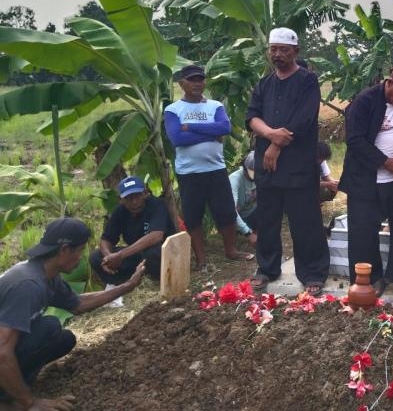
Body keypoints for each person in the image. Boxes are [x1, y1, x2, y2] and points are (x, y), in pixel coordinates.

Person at [0, 218, 145, 410]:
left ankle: (15, 387)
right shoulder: (28, 285)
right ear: (64, 250)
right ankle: (9, 399)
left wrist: (126, 287)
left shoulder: (46, 275)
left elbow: (78, 304)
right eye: (80, 251)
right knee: (48, 327)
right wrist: (31, 403)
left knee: (62, 338)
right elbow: (2, 351)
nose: (81, 257)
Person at [246, 28, 329, 295]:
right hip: (268, 167)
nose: (277, 54)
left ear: (296, 51)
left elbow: (303, 120)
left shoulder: (308, 81)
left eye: (283, 49)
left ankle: (313, 272)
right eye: (273, 49)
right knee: (267, 219)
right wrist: (270, 135)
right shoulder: (264, 84)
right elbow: (252, 117)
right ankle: (267, 268)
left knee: (305, 220)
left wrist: (275, 146)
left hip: (298, 165)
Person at [339, 63, 393, 298]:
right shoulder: (364, 102)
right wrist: (385, 161)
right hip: (367, 181)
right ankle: (371, 278)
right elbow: (354, 140)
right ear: (390, 82)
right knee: (363, 231)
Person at [164, 64, 250, 271]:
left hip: (216, 170)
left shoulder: (215, 106)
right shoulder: (173, 110)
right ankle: (201, 259)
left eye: (200, 80)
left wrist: (190, 127)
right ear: (182, 83)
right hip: (189, 173)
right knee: (194, 216)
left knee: (226, 212)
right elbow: (177, 138)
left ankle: (230, 250)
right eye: (192, 80)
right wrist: (211, 133)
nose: (197, 84)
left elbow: (225, 128)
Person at [89, 176, 175, 287]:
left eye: (137, 196)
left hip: (161, 253)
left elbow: (156, 236)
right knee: (95, 257)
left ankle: (155, 281)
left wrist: (120, 255)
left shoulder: (156, 205)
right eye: (129, 198)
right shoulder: (119, 211)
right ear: (121, 200)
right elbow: (106, 239)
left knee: (152, 253)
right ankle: (121, 283)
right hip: (135, 255)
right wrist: (109, 257)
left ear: (145, 193)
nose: (134, 202)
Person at [230, 151, 258, 247]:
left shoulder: (262, 176)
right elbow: (232, 211)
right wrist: (248, 233)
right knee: (229, 212)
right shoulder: (234, 180)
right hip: (238, 216)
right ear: (245, 169)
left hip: (252, 213)